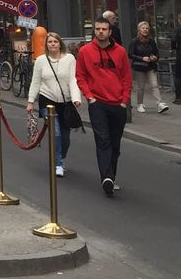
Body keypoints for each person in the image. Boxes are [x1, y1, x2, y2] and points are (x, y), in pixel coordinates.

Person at [76, 16, 132, 196]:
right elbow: (80, 76)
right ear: (94, 30)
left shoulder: (120, 52)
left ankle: (111, 177)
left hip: (117, 103)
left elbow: (126, 77)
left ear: (109, 31)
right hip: (97, 103)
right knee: (103, 141)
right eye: (97, 29)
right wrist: (89, 97)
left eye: (104, 29)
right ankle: (106, 177)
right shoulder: (85, 51)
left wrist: (124, 101)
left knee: (115, 144)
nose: (100, 32)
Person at [26, 32, 82, 177]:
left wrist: (76, 98)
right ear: (46, 45)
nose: (52, 44)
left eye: (55, 42)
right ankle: (58, 164)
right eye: (50, 42)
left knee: (65, 137)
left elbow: (73, 80)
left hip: (66, 102)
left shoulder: (70, 59)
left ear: (60, 44)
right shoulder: (40, 60)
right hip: (47, 100)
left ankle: (60, 157)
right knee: (55, 133)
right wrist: (31, 101)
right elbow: (36, 82)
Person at [128, 20, 167, 113]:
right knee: (141, 86)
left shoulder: (151, 41)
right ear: (139, 30)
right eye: (143, 28)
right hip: (139, 67)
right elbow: (130, 54)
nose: (145, 30)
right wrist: (142, 58)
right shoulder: (135, 41)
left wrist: (154, 58)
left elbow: (156, 53)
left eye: (147, 28)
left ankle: (160, 103)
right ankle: (140, 104)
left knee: (154, 85)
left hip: (150, 66)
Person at [172, 13, 181, 105]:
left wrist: (174, 48)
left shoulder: (177, 30)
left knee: (178, 76)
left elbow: (173, 41)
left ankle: (178, 97)